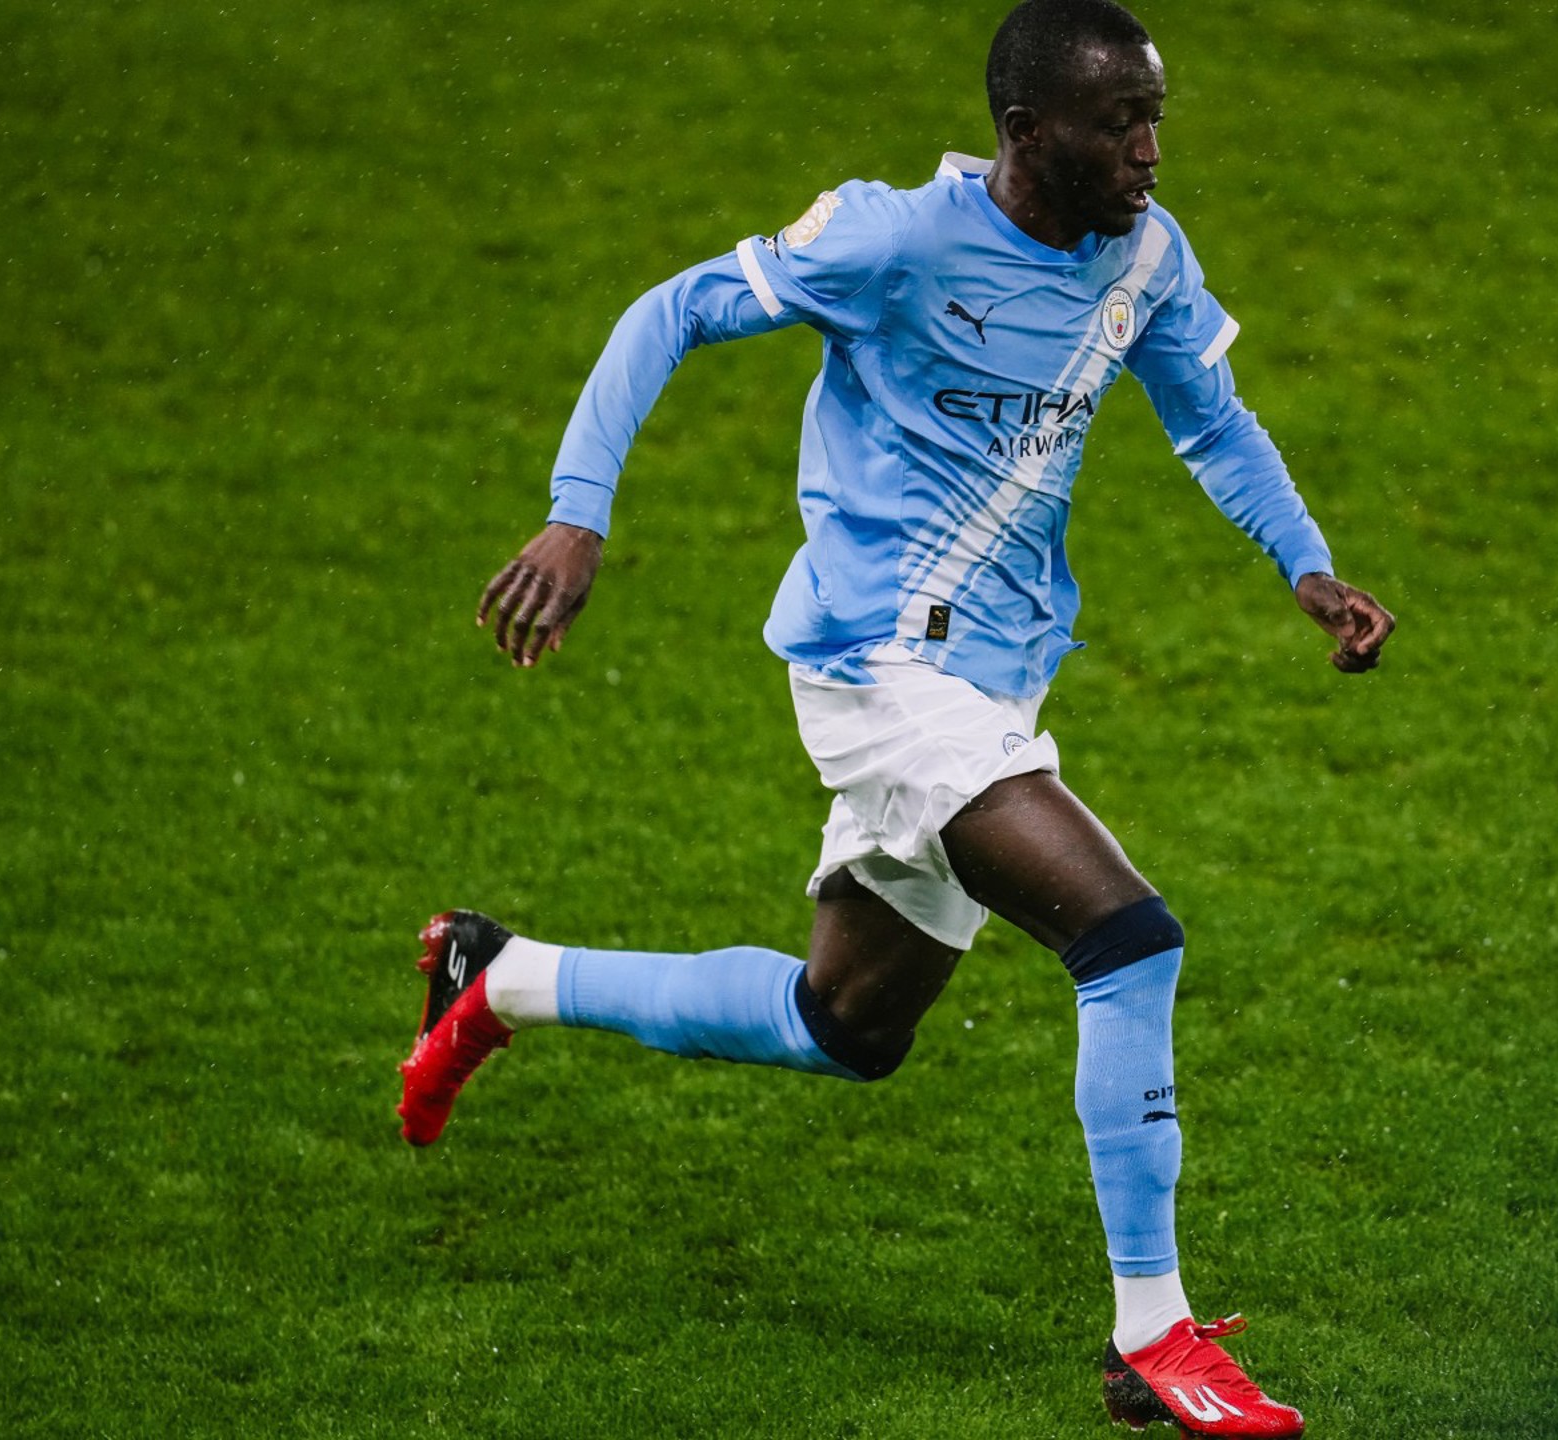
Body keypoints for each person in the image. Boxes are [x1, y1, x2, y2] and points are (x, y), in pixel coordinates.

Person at [397, 2, 1392, 1433]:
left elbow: (1212, 420)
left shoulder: (1144, 260)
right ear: (1028, 132)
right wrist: (577, 514)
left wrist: (1306, 565)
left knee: (845, 1024)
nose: (1151, 152)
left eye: (1156, 119)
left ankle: (498, 977)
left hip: (996, 683)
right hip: (879, 669)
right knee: (1129, 940)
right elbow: (672, 309)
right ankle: (1152, 1336)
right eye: (1121, 125)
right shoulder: (892, 240)